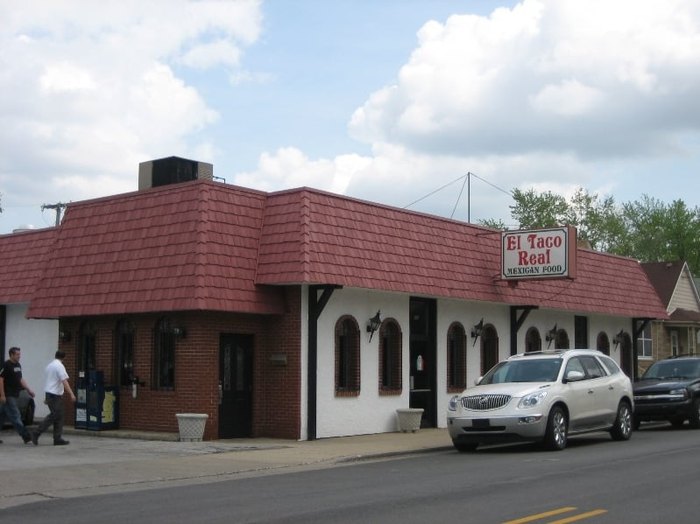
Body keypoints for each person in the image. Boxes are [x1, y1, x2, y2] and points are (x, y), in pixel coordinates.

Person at [32, 350, 76, 446]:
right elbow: (64, 381)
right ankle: (37, 433)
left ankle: (57, 438)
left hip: (50, 393)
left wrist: (46, 396)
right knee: (54, 415)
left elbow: (49, 381)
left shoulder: (50, 366)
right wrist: (71, 394)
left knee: (59, 416)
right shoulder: (59, 366)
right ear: (64, 357)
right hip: (55, 395)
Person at [0, 346, 36, 445]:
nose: (19, 356)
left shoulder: (18, 365)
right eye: (17, 354)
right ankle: (27, 437)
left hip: (15, 394)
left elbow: (20, 379)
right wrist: (2, 395)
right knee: (16, 416)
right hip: (8, 395)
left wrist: (29, 390)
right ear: (11, 355)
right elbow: (1, 380)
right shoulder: (6, 365)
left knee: (1, 416)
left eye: (19, 354)